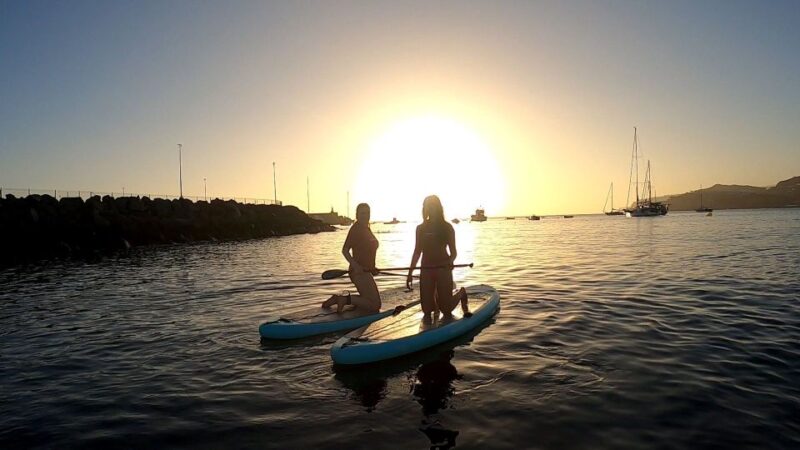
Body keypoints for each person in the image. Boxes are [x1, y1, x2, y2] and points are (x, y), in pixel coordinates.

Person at [406, 195, 470, 322]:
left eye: (433, 205)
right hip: (426, 268)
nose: (431, 208)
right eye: (428, 206)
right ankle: (435, 296)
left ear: (439, 208)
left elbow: (454, 253)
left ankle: (461, 293)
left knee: (446, 310)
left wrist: (449, 261)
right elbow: (417, 252)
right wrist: (410, 273)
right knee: (426, 310)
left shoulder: (447, 227)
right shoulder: (420, 228)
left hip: (443, 268)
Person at [322, 203, 381, 313]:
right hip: (358, 272)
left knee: (370, 301)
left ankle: (338, 299)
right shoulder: (356, 228)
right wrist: (356, 266)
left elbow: (367, 252)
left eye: (368, 213)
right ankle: (343, 299)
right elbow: (345, 250)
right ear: (357, 215)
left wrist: (373, 268)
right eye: (363, 213)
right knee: (375, 305)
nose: (366, 215)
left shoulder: (366, 228)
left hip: (366, 271)